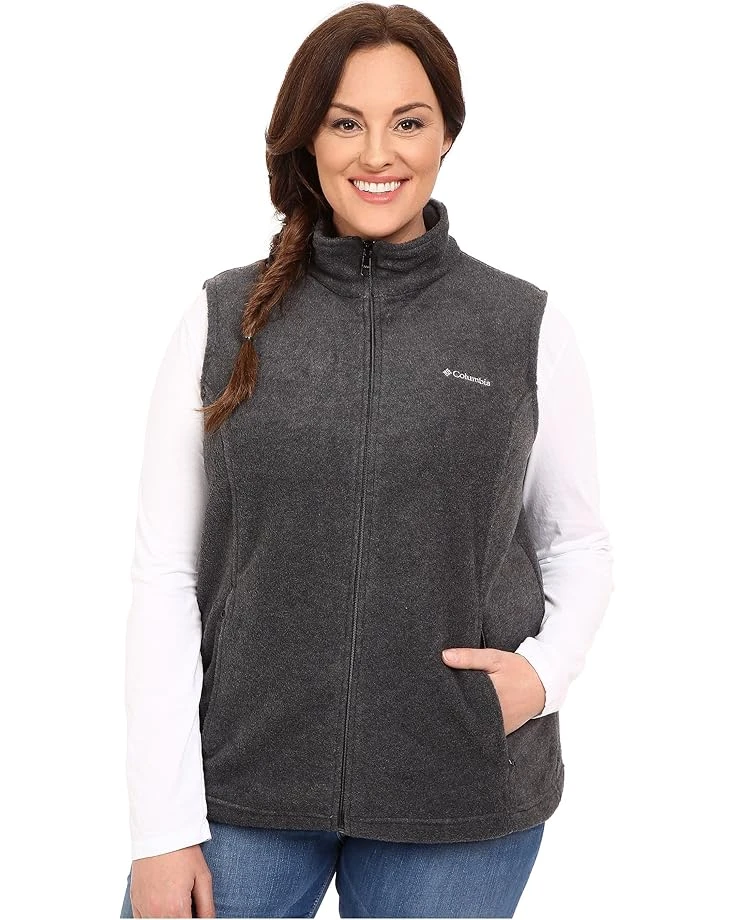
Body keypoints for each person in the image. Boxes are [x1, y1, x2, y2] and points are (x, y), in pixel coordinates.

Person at [119, 3, 614, 917]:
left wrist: (545, 676)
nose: (378, 154)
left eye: (408, 122)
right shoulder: (223, 319)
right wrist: (160, 827)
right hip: (241, 784)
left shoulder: (522, 325)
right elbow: (164, 575)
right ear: (307, 137)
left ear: (448, 134)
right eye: (346, 123)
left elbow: (574, 541)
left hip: (459, 790)